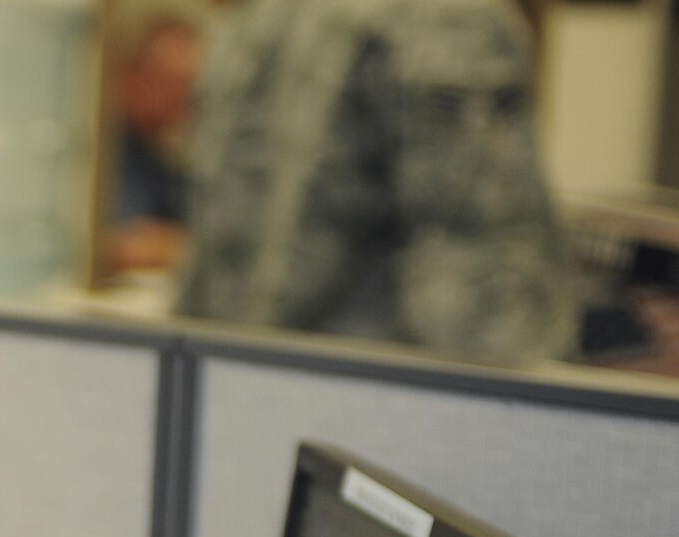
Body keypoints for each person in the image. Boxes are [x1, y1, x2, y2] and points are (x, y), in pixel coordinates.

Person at [175, 0, 577, 361]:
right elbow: (482, 271)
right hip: (378, 394)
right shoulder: (451, 19)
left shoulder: (250, 24)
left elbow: (213, 245)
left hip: (248, 381)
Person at [104, 0, 210, 274]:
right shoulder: (101, 150)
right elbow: (121, 245)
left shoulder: (161, 151)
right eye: (173, 79)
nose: (187, 94)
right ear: (128, 72)